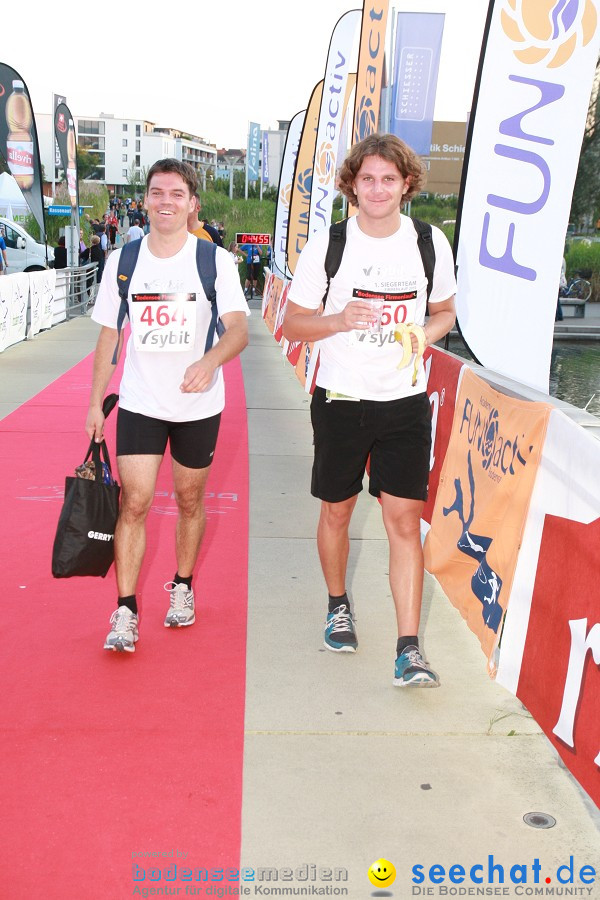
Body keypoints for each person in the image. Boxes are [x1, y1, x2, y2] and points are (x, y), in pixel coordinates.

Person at [282, 133, 456, 687]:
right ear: (352, 186)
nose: (377, 189)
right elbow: (293, 323)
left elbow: (445, 311)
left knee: (403, 522)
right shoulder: (328, 246)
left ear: (407, 185)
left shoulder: (429, 242)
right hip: (340, 399)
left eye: (388, 179)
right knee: (337, 511)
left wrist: (423, 337)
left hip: (404, 402)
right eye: (367, 179)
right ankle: (338, 605)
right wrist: (339, 321)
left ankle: (409, 649)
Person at [85, 158, 249, 654]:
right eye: (157, 192)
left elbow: (238, 329)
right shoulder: (124, 261)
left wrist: (211, 360)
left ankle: (181, 585)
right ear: (146, 200)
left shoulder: (212, 260)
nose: (165, 202)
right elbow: (111, 335)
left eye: (176, 194)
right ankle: (126, 609)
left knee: (189, 502)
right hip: (140, 401)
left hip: (198, 404)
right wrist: (96, 402)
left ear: (192, 203)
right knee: (133, 503)